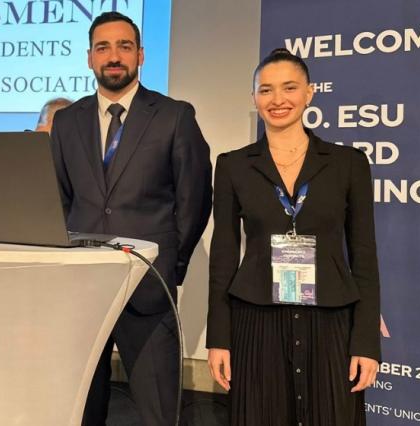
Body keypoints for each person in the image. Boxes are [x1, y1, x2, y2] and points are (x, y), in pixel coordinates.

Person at [50, 11, 212, 426]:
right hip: (82, 288)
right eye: (103, 47)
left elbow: (194, 200)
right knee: (82, 409)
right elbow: (60, 199)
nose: (113, 56)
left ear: (140, 54)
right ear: (89, 58)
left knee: (159, 410)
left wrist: (169, 264)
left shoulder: (174, 116)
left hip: (148, 286)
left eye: (124, 46)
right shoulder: (66, 121)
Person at [206, 48, 380, 425]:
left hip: (330, 320)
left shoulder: (348, 163)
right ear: (254, 98)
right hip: (256, 321)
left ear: (309, 93)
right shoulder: (233, 165)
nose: (278, 99)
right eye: (265, 90)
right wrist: (218, 338)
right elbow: (223, 258)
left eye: (289, 88)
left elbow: (364, 256)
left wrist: (366, 342)